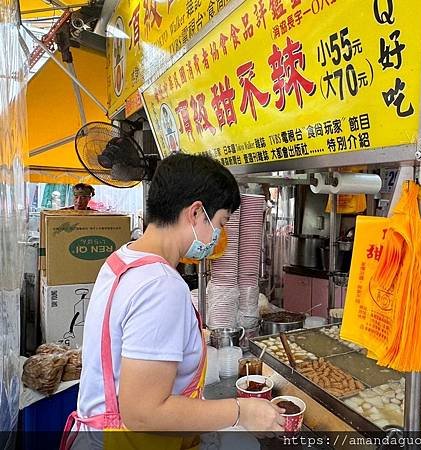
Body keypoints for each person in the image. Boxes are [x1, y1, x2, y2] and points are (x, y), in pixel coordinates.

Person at [61, 154, 283, 450]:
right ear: (195, 213)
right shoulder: (161, 286)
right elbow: (143, 412)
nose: (220, 236)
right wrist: (242, 411)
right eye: (220, 222)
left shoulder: (122, 259)